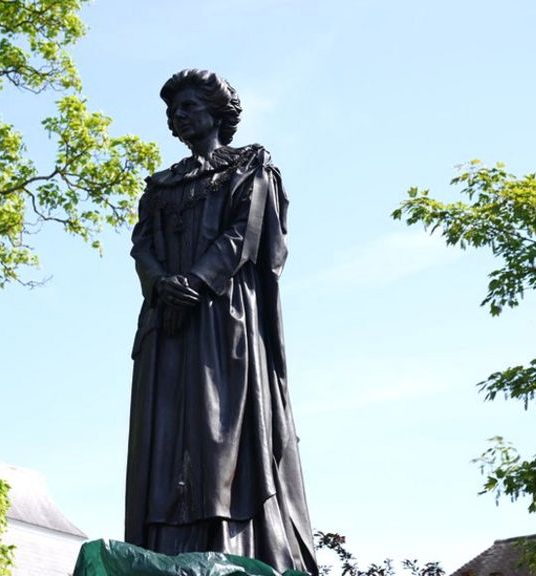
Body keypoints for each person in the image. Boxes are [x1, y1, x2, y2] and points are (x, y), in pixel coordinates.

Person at [125, 69, 318, 575]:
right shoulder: (160, 187)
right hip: (167, 324)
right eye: (172, 110)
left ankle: (231, 541)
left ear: (217, 112)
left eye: (187, 106)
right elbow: (141, 243)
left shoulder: (250, 168)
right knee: (165, 436)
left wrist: (196, 281)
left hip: (221, 319)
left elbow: (245, 234)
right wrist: (160, 282)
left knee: (219, 430)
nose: (177, 116)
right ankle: (166, 544)